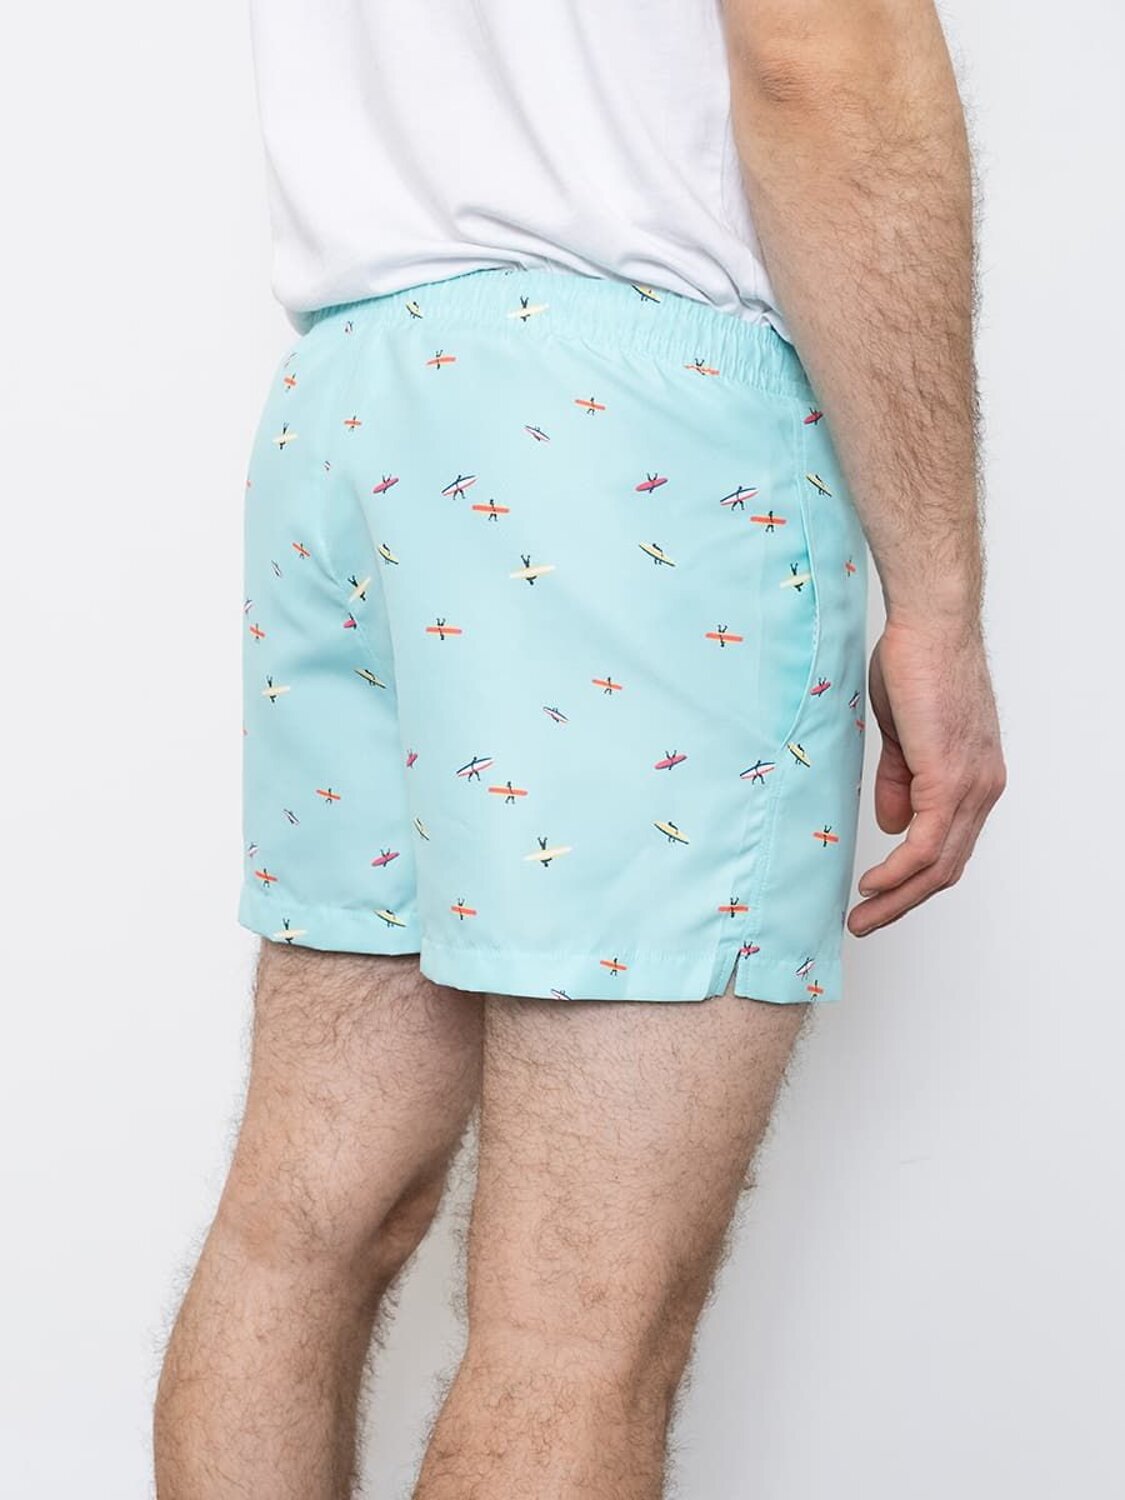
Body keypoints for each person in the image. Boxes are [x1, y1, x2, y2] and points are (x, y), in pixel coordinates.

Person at [153, 0, 1007, 1493]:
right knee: (579, 1332)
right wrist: (936, 599)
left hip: (355, 402)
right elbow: (821, 48)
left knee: (306, 1222)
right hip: (631, 441)